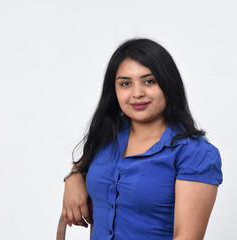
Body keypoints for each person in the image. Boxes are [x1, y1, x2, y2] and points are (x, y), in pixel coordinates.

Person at [61, 38, 223, 240]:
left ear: (168, 84)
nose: (137, 93)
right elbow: (83, 165)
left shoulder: (195, 154)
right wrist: (73, 178)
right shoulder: (107, 134)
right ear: (115, 90)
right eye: (125, 83)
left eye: (149, 81)